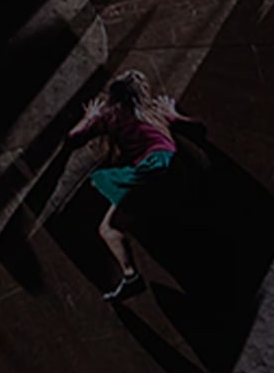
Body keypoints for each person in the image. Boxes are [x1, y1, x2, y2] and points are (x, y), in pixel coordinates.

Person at [67, 69, 190, 302]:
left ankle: (131, 276)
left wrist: (90, 116)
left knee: (108, 228)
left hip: (150, 171)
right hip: (174, 168)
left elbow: (74, 139)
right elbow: (198, 128)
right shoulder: (155, 112)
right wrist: (174, 115)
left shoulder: (111, 116)